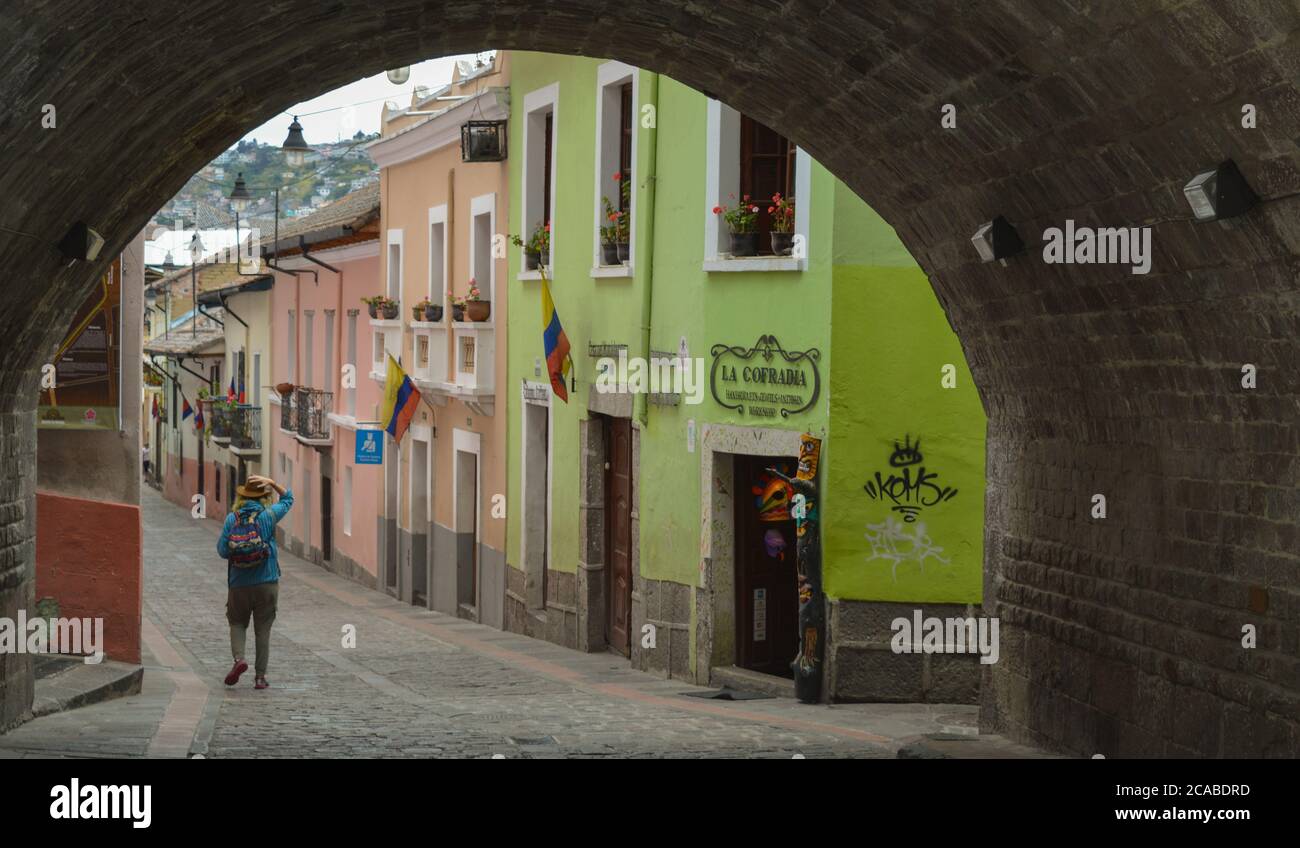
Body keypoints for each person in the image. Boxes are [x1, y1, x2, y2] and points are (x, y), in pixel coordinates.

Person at [216, 474, 293, 690]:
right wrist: (274, 483)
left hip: (238, 584)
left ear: (243, 496)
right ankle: (260, 678)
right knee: (263, 630)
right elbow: (288, 500)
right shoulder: (268, 516)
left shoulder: (233, 519)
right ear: (263, 497)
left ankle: (239, 659)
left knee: (237, 623)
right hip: (267, 582)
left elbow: (222, 551)